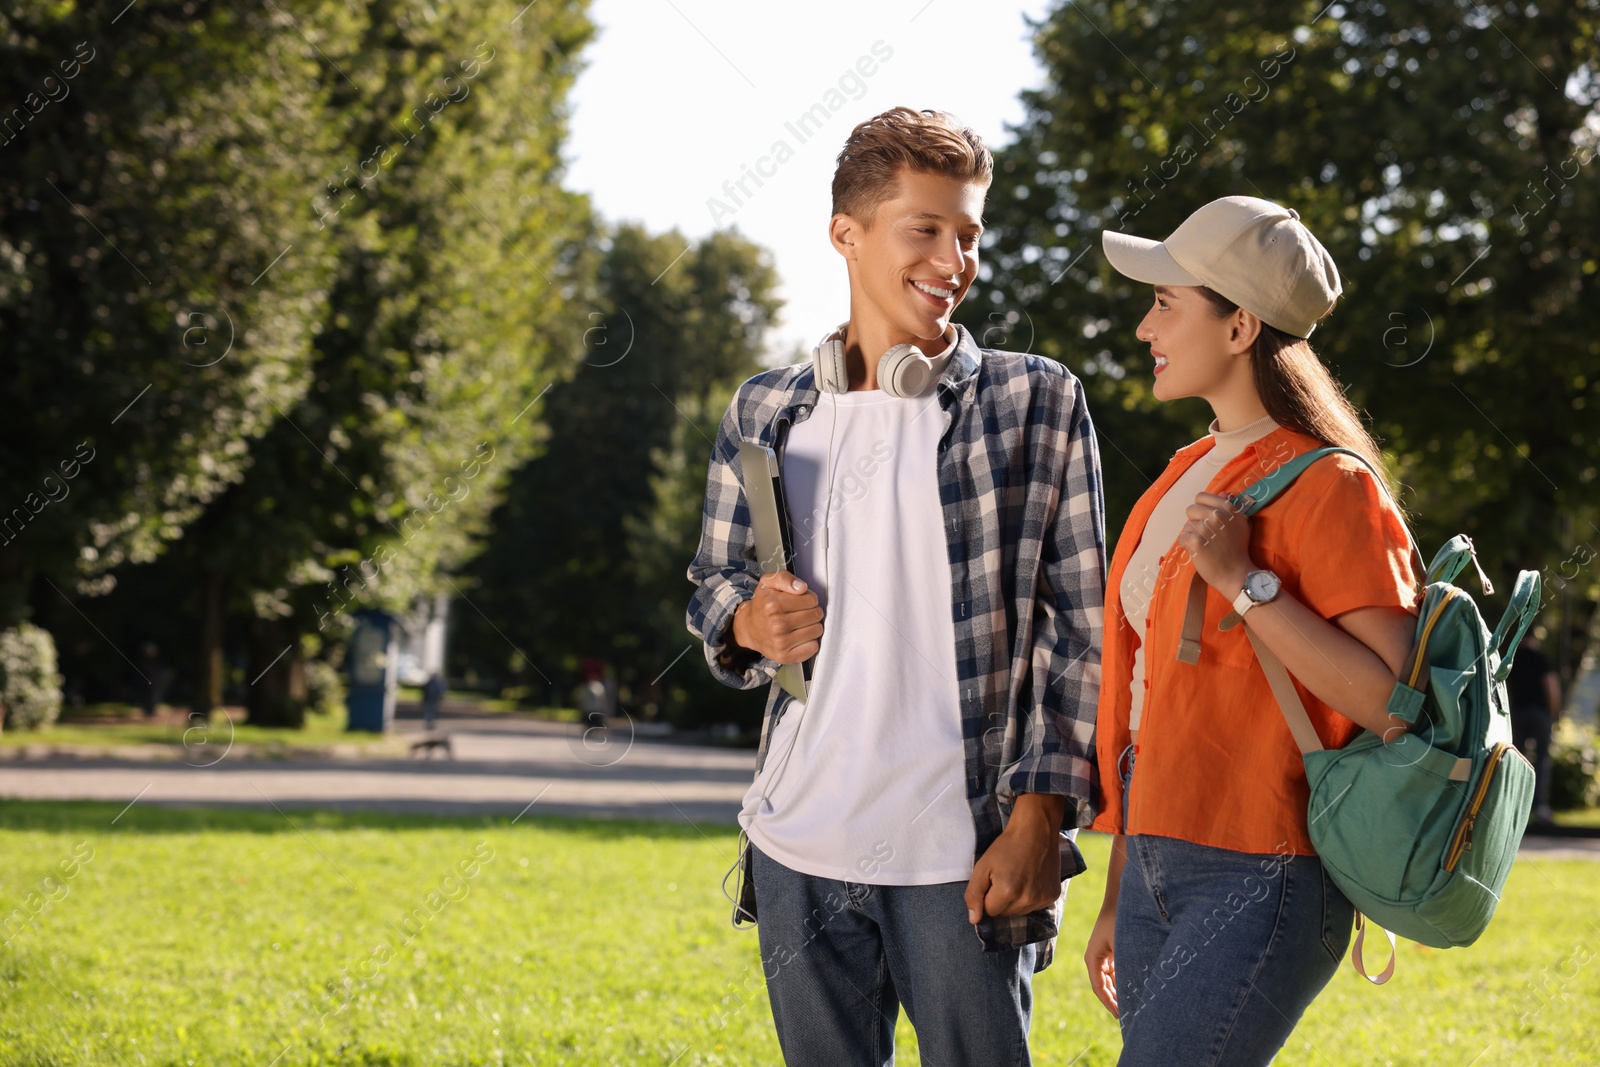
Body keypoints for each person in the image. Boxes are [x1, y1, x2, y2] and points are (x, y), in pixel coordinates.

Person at [685, 107, 1105, 1065]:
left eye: (970, 235)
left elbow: (1079, 631)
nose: (955, 258)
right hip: (799, 845)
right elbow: (712, 583)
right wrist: (748, 620)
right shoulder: (768, 408)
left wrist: (1042, 814)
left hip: (961, 853)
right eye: (928, 229)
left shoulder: (1033, 400)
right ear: (848, 233)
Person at [1082, 196, 1424, 1065]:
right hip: (1158, 856)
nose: (1140, 324)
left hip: (1265, 868)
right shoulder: (1185, 471)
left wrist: (1244, 581)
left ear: (1239, 326)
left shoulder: (1334, 485)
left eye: (1165, 301)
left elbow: (1392, 704)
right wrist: (1124, 886)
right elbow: (1148, 697)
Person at [1507, 630, 1562, 823]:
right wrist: (1553, 715)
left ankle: (1513, 804)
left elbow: (1507, 688)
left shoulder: (1514, 659)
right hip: (1539, 713)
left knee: (1516, 759)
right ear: (1535, 640)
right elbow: (1550, 686)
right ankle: (1540, 807)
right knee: (1541, 760)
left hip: (1517, 713)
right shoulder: (1541, 659)